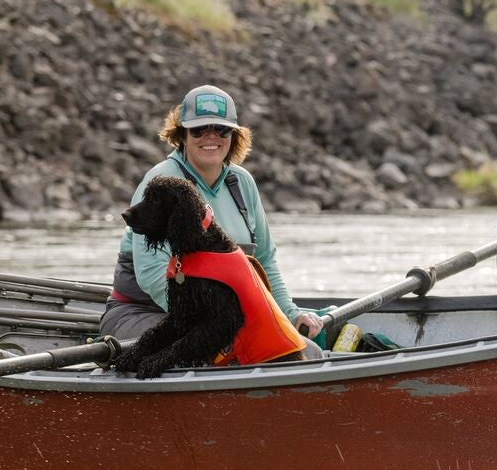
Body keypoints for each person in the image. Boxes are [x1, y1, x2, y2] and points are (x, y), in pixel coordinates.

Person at [99, 84, 327, 344]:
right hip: (141, 313)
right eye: (198, 130)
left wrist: (289, 313)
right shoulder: (162, 182)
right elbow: (152, 273)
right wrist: (213, 323)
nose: (211, 137)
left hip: (221, 316)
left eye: (221, 129)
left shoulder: (242, 183)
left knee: (302, 348)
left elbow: (265, 261)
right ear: (182, 135)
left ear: (233, 136)